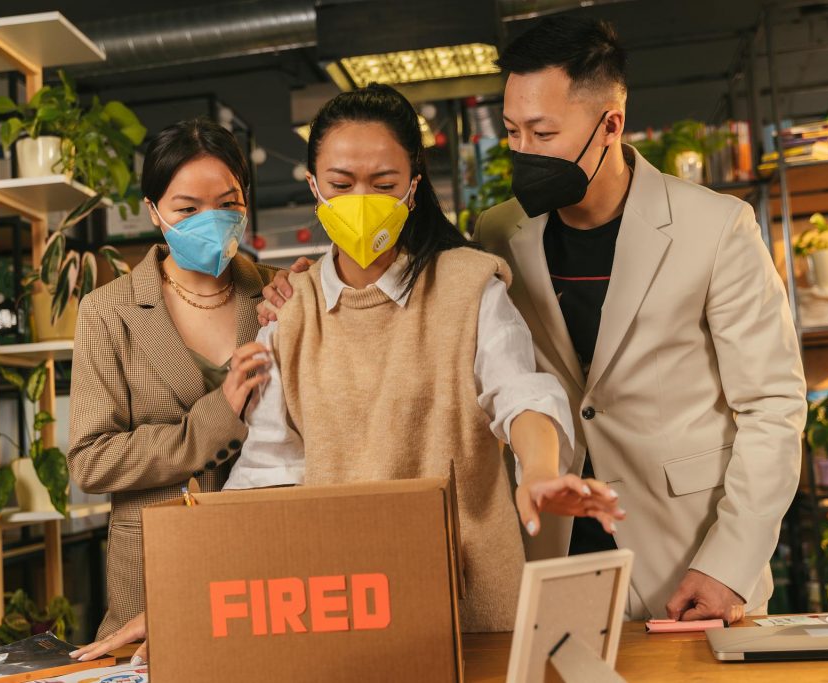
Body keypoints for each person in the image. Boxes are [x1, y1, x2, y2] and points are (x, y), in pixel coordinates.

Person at [261, 17, 806, 624]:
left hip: (688, 548)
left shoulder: (716, 228)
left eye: (542, 132)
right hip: (549, 546)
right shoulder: (499, 233)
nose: (523, 150)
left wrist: (727, 564)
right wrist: (295, 293)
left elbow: (772, 408)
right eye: (513, 130)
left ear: (611, 125)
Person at [69, 84, 624, 663]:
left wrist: (537, 467)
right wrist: (190, 597)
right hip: (343, 609)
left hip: (471, 606)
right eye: (340, 184)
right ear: (313, 187)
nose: (362, 200)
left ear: (413, 186)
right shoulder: (291, 311)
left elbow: (521, 391)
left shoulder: (467, 285)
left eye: (383, 185)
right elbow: (263, 475)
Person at [67, 117, 275, 652]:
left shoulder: (277, 293)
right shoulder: (109, 311)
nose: (213, 219)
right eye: (188, 208)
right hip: (156, 573)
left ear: (246, 201)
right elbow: (90, 460)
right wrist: (213, 418)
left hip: (269, 566)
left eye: (228, 203)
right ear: (154, 211)